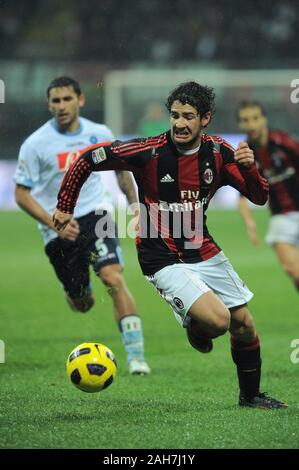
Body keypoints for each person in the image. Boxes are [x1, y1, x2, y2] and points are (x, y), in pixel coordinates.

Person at [53, 81, 287, 409]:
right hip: (159, 255)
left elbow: (260, 197)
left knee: (245, 324)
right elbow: (89, 158)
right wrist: (65, 204)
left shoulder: (219, 153)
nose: (179, 123)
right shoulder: (147, 152)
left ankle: (250, 396)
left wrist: (249, 168)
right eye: (175, 115)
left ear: (205, 119)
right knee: (219, 321)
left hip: (202, 248)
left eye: (188, 116)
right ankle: (196, 323)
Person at [14, 76, 150, 375]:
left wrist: (133, 206)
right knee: (82, 302)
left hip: (95, 213)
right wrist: (54, 222)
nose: (61, 106)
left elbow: (122, 170)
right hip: (56, 225)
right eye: (56, 101)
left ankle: (137, 357)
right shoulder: (35, 144)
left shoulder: (99, 132)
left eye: (67, 99)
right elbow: (21, 194)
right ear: (48, 104)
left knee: (113, 278)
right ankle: (77, 289)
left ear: (80, 100)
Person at [237, 101, 299, 291]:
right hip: (280, 216)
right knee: (292, 269)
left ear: (264, 119)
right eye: (246, 120)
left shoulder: (284, 142)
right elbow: (241, 194)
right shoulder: (245, 154)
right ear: (240, 125)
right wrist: (250, 223)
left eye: (255, 118)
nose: (252, 124)